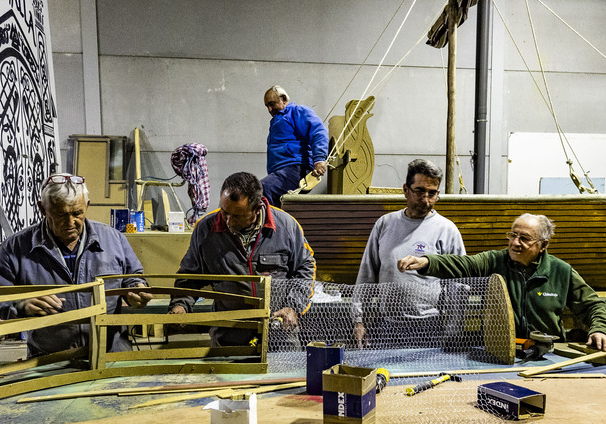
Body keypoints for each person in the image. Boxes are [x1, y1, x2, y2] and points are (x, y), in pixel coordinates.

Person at [0, 174, 151, 356]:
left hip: (110, 354)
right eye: (60, 214)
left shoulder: (113, 239)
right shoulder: (16, 247)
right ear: (42, 209)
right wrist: (20, 305)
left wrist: (136, 289)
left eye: (77, 213)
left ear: (87, 206)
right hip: (50, 360)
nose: (70, 223)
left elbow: (133, 277)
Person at [397, 213, 606, 351]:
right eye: (513, 235)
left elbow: (593, 305)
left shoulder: (561, 272)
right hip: (501, 352)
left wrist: (599, 330)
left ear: (543, 245)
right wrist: (426, 262)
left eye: (524, 238)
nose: (515, 243)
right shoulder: (495, 261)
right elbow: (463, 265)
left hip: (548, 354)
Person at [169, 171, 316, 346]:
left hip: (279, 336)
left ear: (257, 208)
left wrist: (293, 308)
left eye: (237, 216)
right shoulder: (205, 230)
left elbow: (306, 267)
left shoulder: (287, 226)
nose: (228, 221)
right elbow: (189, 276)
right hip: (228, 337)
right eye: (224, 212)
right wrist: (180, 305)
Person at [352, 159, 465, 348]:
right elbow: (366, 276)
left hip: (429, 328)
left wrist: (453, 331)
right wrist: (358, 320)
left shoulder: (447, 230)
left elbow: (458, 286)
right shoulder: (385, 224)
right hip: (386, 327)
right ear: (406, 189)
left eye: (432, 193)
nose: (426, 199)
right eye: (420, 191)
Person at [261, 85, 329, 205]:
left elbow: (318, 132)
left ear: (284, 99)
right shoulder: (276, 123)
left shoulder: (297, 111)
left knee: (262, 189)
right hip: (280, 173)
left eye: (272, 104)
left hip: (296, 169)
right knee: (258, 192)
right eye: (267, 106)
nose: (270, 110)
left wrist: (319, 159)